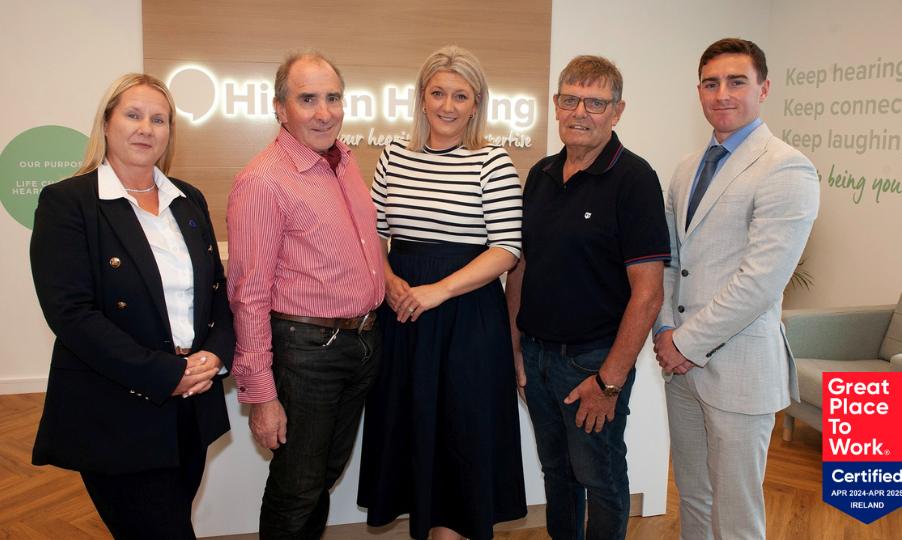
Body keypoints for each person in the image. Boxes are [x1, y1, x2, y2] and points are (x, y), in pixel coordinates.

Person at [29, 73, 234, 540]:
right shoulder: (68, 202)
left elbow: (218, 293)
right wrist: (166, 373)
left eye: (158, 119)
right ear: (106, 124)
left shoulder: (188, 200)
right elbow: (71, 314)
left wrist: (217, 353)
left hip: (191, 407)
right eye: (133, 115)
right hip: (117, 414)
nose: (146, 128)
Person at [357, 45, 527, 540]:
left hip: (467, 321)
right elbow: (374, 234)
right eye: (438, 93)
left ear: (476, 104)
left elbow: (506, 250)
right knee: (410, 431)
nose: (447, 106)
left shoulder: (492, 163)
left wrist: (439, 291)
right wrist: (389, 281)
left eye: (460, 95)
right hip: (404, 316)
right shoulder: (393, 157)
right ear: (422, 98)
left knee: (461, 437)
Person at [652, 38, 820, 539]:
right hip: (680, 368)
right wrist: (664, 329)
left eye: (736, 81)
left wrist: (683, 342)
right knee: (695, 497)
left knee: (737, 515)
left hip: (738, 370)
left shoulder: (787, 167)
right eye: (711, 83)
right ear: (699, 92)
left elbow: (760, 283)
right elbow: (671, 260)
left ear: (763, 89)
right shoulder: (687, 167)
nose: (722, 93)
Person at [505, 55, 670, 540]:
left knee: (600, 478)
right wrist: (514, 347)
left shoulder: (635, 180)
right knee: (556, 474)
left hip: (593, 364)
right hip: (535, 357)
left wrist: (610, 381)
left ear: (617, 111)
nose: (581, 111)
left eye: (596, 102)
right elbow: (522, 268)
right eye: (571, 99)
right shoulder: (540, 173)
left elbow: (649, 295)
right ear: (556, 105)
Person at [226, 51, 384, 540]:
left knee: (319, 480)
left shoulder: (344, 163)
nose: (324, 112)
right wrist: (261, 394)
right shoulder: (262, 180)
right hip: (305, 354)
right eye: (307, 99)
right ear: (280, 108)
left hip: (360, 346)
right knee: (297, 488)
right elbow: (247, 295)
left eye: (333, 97)